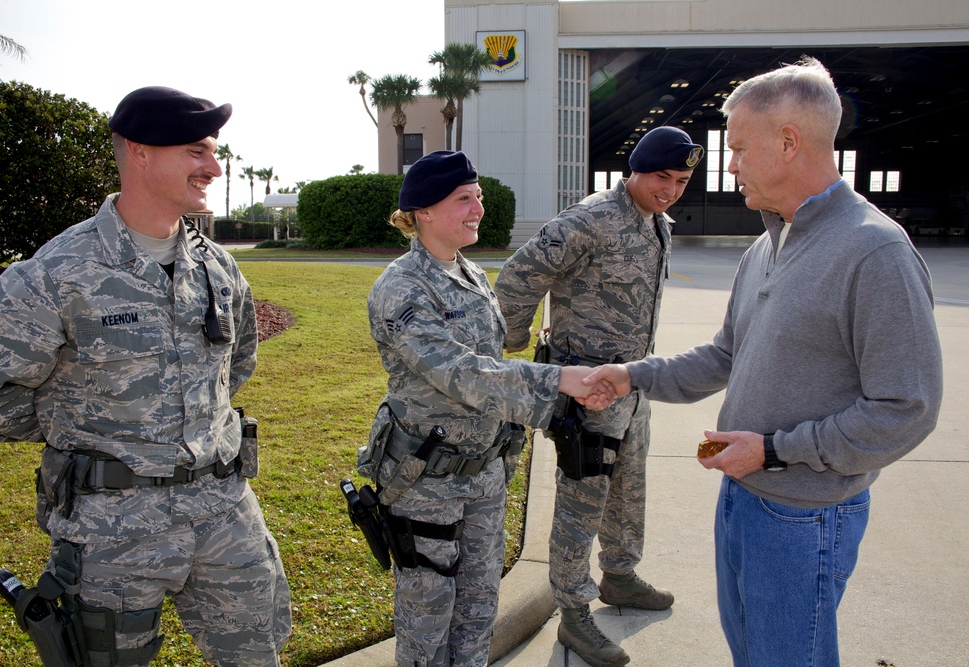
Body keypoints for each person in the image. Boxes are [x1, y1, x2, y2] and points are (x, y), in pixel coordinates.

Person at [583, 57, 943, 667]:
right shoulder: (766, 244)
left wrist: (774, 450)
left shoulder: (873, 251)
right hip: (743, 497)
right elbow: (725, 353)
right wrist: (630, 376)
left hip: (804, 519)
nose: (730, 164)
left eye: (740, 148)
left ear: (788, 141)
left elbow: (906, 410)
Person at [0, 86, 291, 666]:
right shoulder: (60, 272)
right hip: (111, 531)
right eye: (197, 151)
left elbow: (235, 364)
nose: (213, 168)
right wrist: (75, 431)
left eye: (213, 152)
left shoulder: (216, 267)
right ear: (140, 152)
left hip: (224, 512)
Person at [361, 150, 615, 667]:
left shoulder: (472, 273)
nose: (477, 207)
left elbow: (493, 361)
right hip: (426, 480)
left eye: (478, 196)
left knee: (479, 606)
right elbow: (462, 373)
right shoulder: (401, 288)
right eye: (463, 199)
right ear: (423, 211)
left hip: (483, 473)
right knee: (428, 615)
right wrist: (558, 381)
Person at [494, 125, 701, 666]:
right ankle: (574, 614)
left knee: (629, 490)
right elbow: (516, 279)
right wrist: (517, 347)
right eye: (662, 177)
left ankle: (621, 575)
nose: (671, 189)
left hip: (634, 384)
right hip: (587, 394)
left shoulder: (657, 222)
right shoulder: (588, 220)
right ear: (634, 169)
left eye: (681, 180)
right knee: (580, 502)